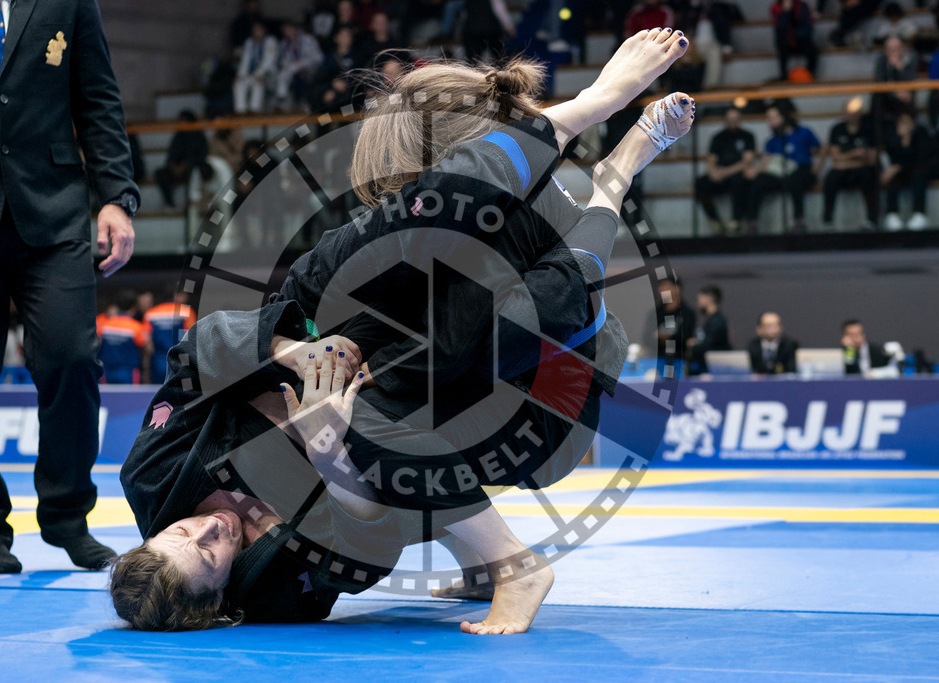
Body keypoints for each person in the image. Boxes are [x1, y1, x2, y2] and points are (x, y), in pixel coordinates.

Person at [110, 30, 694, 634]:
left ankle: (589, 107)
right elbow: (375, 542)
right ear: (222, 607)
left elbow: (196, 353)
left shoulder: (153, 473)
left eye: (181, 531)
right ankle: (615, 178)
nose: (211, 527)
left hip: (342, 328)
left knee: (397, 250)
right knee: (401, 402)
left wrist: (293, 351)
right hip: (543, 379)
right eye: (209, 553)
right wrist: (327, 452)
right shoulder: (277, 593)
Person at [0, 0, 138, 574]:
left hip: (52, 209)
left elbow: (99, 98)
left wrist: (115, 196)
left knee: (70, 358)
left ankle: (68, 518)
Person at [749, 105, 822, 234]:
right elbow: (766, 162)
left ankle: (799, 221)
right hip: (780, 172)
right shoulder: (772, 141)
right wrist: (755, 170)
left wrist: (816, 168)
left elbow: (821, 149)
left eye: (772, 118)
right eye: (768, 119)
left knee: (794, 180)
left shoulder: (804, 132)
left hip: (802, 170)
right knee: (758, 181)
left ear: (782, 118)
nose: (770, 122)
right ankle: (752, 222)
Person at [694, 107, 756, 235]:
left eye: (735, 119)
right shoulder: (718, 137)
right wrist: (713, 172)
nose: (732, 121)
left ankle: (736, 220)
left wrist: (725, 172)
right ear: (725, 120)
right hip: (720, 175)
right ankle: (715, 221)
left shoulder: (747, 136)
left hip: (735, 173)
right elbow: (711, 159)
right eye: (729, 119)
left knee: (740, 180)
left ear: (739, 120)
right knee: (700, 183)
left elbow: (747, 162)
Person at [822, 98, 879, 232]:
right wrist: (855, 154)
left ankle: (871, 220)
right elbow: (836, 159)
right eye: (849, 111)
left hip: (862, 170)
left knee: (870, 176)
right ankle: (828, 221)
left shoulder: (868, 129)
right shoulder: (837, 129)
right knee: (830, 179)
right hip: (843, 171)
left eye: (855, 111)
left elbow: (871, 159)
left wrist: (846, 159)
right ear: (843, 112)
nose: (852, 114)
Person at [881, 111, 932, 231]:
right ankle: (892, 214)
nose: (905, 126)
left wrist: (898, 167)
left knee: (919, 176)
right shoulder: (892, 137)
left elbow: (921, 158)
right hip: (900, 173)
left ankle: (919, 213)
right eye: (902, 123)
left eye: (908, 122)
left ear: (913, 124)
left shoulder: (921, 134)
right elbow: (891, 159)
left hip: (917, 170)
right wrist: (902, 141)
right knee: (893, 178)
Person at [155, 111, 213, 209]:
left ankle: (190, 205)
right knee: (160, 173)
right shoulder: (178, 136)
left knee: (195, 172)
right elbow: (171, 154)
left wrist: (186, 165)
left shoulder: (199, 136)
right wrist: (173, 166)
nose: (181, 124)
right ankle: (170, 204)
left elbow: (202, 156)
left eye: (183, 121)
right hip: (178, 169)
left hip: (192, 168)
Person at [143, 291, 198, 383]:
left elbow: (148, 344)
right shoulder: (186, 311)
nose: (186, 298)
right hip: (179, 360)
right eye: (183, 295)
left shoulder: (150, 313)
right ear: (175, 295)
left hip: (158, 361)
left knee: (157, 391)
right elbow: (190, 337)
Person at [97, 291, 150, 385]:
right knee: (131, 399)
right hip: (129, 373)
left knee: (107, 399)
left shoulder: (103, 325)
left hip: (106, 372)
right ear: (134, 307)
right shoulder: (136, 327)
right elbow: (147, 349)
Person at [275, 22, 324, 111]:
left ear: (295, 29)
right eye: (286, 31)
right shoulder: (283, 44)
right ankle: (282, 98)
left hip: (311, 67)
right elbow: (282, 62)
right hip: (294, 72)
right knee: (287, 71)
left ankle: (282, 95)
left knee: (293, 67)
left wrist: (301, 64)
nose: (289, 33)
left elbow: (318, 58)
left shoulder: (308, 39)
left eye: (290, 29)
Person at [234, 21, 278, 114]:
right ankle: (241, 110)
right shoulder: (249, 42)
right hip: (252, 73)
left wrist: (259, 73)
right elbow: (245, 61)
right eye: (255, 30)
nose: (256, 32)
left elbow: (269, 61)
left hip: (267, 73)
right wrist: (240, 75)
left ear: (263, 31)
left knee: (258, 83)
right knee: (239, 84)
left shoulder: (270, 41)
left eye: (259, 30)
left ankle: (255, 110)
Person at [688, 284, 730, 374]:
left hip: (714, 368)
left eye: (699, 299)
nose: (698, 302)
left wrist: (694, 345)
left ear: (708, 299)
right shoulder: (709, 320)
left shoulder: (718, 321)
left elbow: (709, 345)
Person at [772, 0, 818, 82]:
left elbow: (807, 26)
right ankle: (783, 76)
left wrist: (795, 34)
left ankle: (811, 74)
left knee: (812, 48)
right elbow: (780, 28)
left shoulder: (802, 6)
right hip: (786, 40)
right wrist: (786, 11)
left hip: (801, 38)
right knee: (782, 44)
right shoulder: (776, 7)